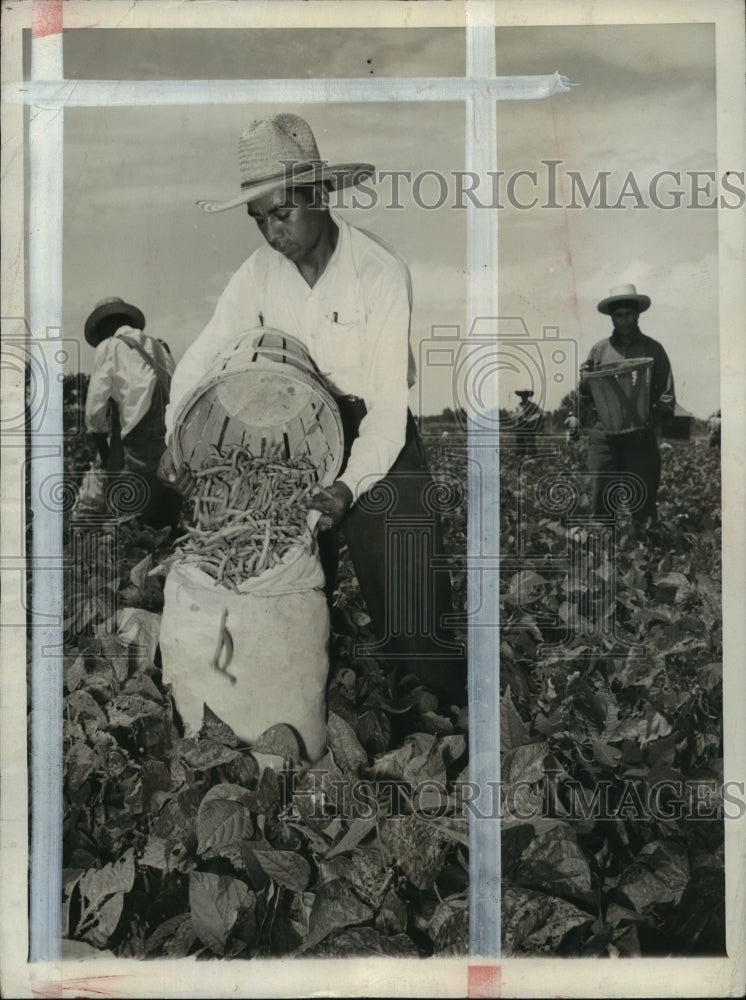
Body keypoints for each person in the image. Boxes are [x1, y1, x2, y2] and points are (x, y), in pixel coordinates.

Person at [159, 113, 466, 706]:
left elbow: (384, 406)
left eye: (282, 213)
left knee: (409, 589)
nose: (273, 233)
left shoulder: (378, 273)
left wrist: (350, 486)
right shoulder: (256, 276)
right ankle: (285, 697)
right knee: (284, 576)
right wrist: (176, 431)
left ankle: (435, 708)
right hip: (290, 438)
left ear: (320, 195)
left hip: (376, 435)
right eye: (259, 220)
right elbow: (203, 354)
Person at [80, 296, 182, 529]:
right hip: (170, 441)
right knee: (163, 520)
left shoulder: (110, 347)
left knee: (129, 520)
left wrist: (105, 456)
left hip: (138, 443)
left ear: (106, 326)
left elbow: (95, 410)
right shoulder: (161, 346)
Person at [581, 283, 675, 523]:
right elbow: (585, 394)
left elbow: (666, 395)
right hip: (605, 435)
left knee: (642, 502)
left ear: (637, 314)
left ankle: (645, 553)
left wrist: (651, 422)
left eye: (628, 315)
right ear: (611, 317)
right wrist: (584, 378)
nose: (623, 321)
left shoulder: (653, 349)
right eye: (618, 316)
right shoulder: (599, 350)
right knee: (602, 498)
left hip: (640, 436)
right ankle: (604, 553)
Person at [513, 389, 542, 458]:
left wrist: (530, 419)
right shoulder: (518, 406)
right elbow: (514, 415)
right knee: (519, 441)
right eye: (522, 396)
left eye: (525, 395)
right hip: (520, 426)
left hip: (528, 426)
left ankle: (531, 456)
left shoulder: (532, 405)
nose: (523, 397)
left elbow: (538, 413)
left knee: (530, 441)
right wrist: (516, 420)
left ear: (527, 396)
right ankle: (520, 455)